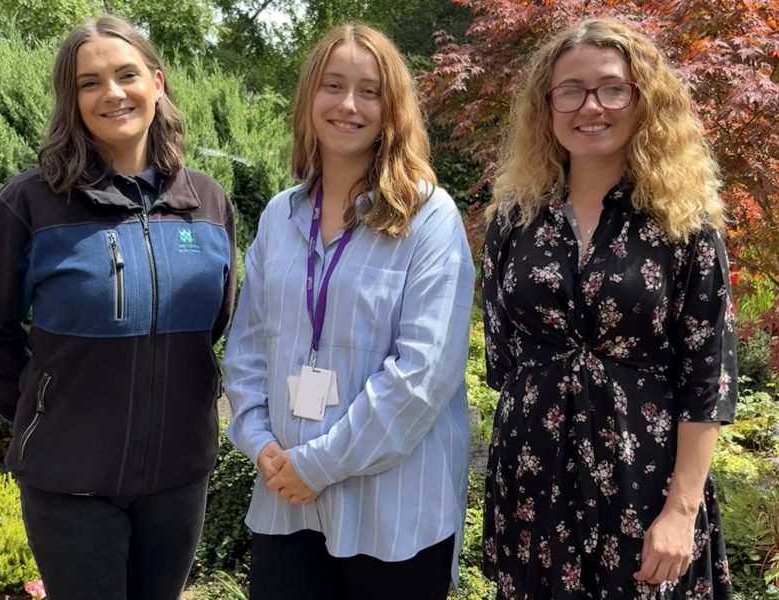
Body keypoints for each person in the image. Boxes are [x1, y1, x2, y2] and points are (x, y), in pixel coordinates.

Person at [0, 15, 235, 600]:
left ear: (156, 82)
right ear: (72, 99)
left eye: (126, 74)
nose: (112, 93)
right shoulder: (33, 202)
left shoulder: (206, 202)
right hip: (70, 480)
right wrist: (42, 408)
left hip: (179, 475)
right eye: (89, 82)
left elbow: (214, 321)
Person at [481, 18, 737, 600]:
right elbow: (504, 359)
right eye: (570, 91)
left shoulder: (685, 225)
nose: (590, 106)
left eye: (612, 89)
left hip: (645, 484)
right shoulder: (515, 219)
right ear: (546, 105)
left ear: (643, 99)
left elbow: (708, 378)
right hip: (532, 482)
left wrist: (681, 511)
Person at [224, 23, 474, 600]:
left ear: (393, 110)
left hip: (393, 515)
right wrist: (258, 440)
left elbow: (422, 376)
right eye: (333, 85)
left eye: (369, 91)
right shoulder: (279, 216)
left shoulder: (429, 217)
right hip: (285, 501)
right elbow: (248, 347)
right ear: (309, 96)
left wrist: (318, 465)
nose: (348, 105)